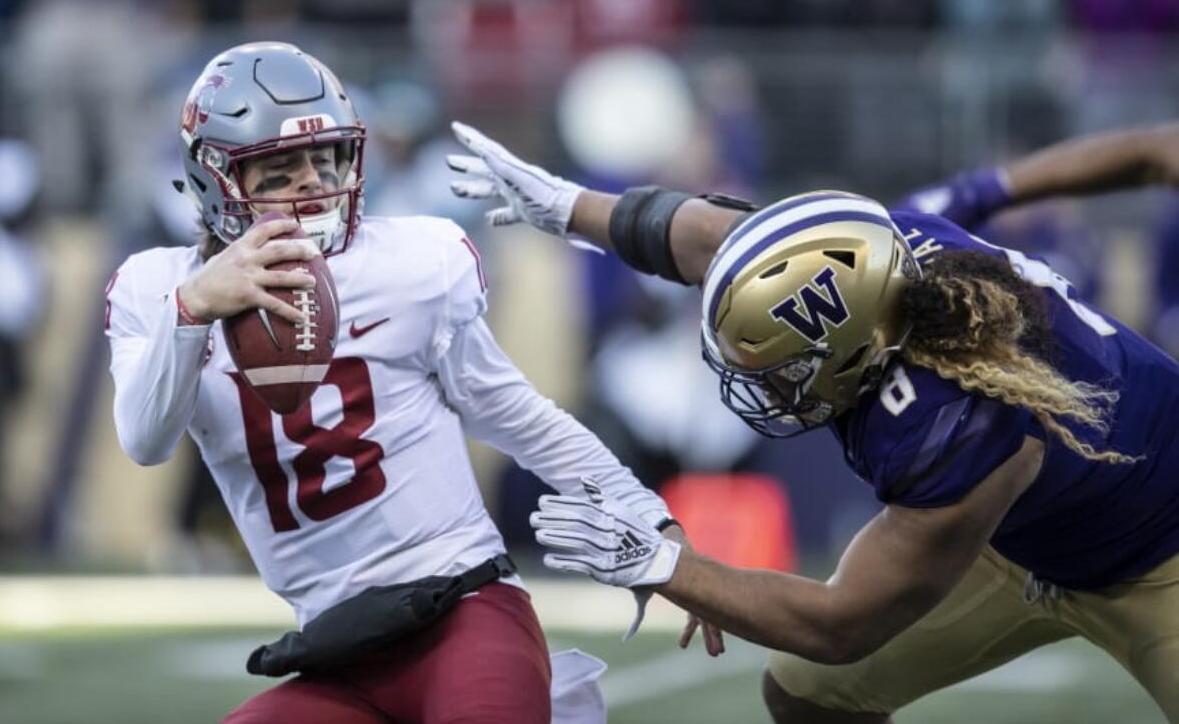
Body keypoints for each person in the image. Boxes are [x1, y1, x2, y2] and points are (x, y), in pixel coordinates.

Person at [447, 121, 1179, 721]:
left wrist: (669, 567)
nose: (759, 388)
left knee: (822, 661)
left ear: (857, 352)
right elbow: (708, 236)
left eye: (779, 372)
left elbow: (839, 623)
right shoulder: (867, 260)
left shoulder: (958, 425)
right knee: (809, 698)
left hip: (1161, 554)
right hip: (1037, 528)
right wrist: (570, 205)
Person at [105, 41, 680, 724]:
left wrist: (653, 519)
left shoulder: (413, 264)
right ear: (215, 178)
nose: (313, 185)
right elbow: (144, 440)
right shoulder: (158, 289)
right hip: (335, 652)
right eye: (280, 170)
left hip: (462, 610)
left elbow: (521, 418)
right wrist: (193, 309)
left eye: (326, 160)